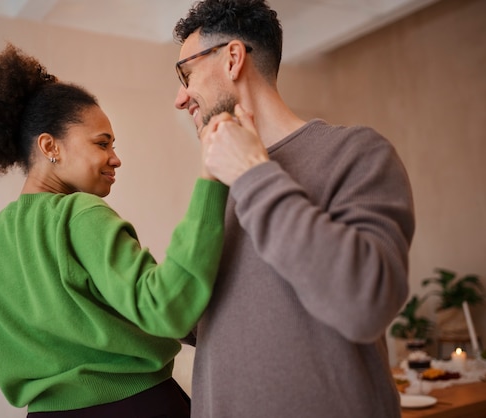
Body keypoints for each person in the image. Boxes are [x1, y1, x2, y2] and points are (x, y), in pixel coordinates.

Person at [0, 43, 228, 417]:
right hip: (137, 406)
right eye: (102, 144)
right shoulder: (79, 213)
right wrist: (211, 180)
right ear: (50, 146)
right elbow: (167, 309)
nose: (116, 158)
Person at [172, 1, 415, 417]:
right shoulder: (217, 184)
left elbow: (366, 303)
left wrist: (252, 175)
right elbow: (204, 325)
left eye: (186, 74)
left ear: (232, 58)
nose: (180, 99)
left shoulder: (356, 153)